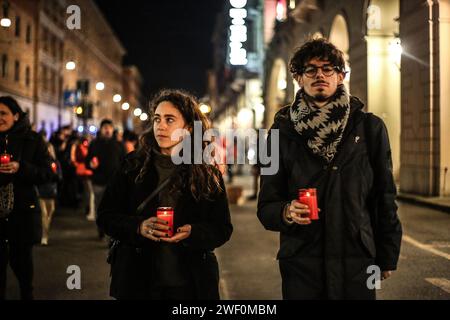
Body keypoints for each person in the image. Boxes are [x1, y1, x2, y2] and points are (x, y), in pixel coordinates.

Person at [257, 38, 402, 300]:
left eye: (328, 68)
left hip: (357, 260)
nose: (320, 75)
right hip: (302, 263)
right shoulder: (278, 133)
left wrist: (387, 254)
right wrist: (286, 211)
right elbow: (266, 205)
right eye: (310, 69)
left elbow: (384, 196)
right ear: (299, 78)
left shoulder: (370, 128)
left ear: (341, 75)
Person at [97, 89, 233, 300]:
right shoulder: (132, 165)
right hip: (138, 282)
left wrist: (193, 232)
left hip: (190, 285)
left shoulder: (206, 172)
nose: (161, 126)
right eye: (157, 119)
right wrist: (139, 227)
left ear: (188, 128)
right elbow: (105, 216)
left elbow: (222, 228)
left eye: (170, 120)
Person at [0, 96, 55, 299]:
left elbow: (49, 173)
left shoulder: (32, 139)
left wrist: (21, 168)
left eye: (3, 113)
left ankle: (27, 293)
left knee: (21, 262)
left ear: (15, 115)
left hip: (22, 211)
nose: (0, 118)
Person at [86, 119, 126, 240]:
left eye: (109, 127)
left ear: (112, 129)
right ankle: (101, 229)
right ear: (101, 129)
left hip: (114, 182)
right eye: (105, 127)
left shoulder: (119, 144)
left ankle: (111, 232)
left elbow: (124, 162)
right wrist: (91, 164)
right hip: (99, 181)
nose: (107, 130)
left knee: (114, 208)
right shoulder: (94, 143)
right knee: (100, 207)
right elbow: (88, 161)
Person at [37, 130, 61, 246]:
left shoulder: (55, 162)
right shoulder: (40, 162)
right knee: (43, 215)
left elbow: (60, 177)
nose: (49, 152)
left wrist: (55, 172)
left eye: (50, 150)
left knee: (50, 213)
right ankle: (44, 236)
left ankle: (45, 232)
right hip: (41, 191)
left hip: (51, 191)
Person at [70, 135, 95, 221]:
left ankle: (87, 207)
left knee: (88, 191)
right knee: (85, 190)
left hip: (87, 172)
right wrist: (77, 164)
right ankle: (85, 206)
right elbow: (75, 158)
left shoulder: (88, 147)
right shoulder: (78, 147)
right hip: (81, 171)